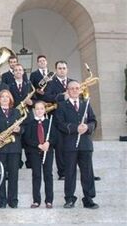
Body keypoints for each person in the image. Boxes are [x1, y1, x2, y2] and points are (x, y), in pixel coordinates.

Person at [55, 81, 99, 209]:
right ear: (68, 91)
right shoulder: (62, 106)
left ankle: (89, 198)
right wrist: (75, 128)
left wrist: (87, 127)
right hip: (69, 144)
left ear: (80, 90)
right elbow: (60, 124)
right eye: (72, 88)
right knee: (69, 173)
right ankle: (69, 199)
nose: (74, 90)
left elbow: (93, 121)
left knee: (87, 172)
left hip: (85, 144)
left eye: (77, 88)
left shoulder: (86, 104)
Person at [0, 90, 22, 208]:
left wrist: (19, 130)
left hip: (14, 148)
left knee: (14, 176)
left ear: (11, 99)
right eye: (2, 97)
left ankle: (13, 201)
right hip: (0, 148)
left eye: (7, 97)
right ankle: (2, 201)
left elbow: (23, 128)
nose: (4, 98)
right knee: (1, 176)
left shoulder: (17, 112)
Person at [23, 101, 57, 209]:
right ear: (34, 110)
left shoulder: (49, 123)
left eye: (41, 108)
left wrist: (48, 143)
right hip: (35, 152)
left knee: (48, 175)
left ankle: (49, 201)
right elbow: (27, 139)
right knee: (36, 175)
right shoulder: (30, 123)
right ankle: (36, 200)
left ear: (44, 110)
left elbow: (55, 137)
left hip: (48, 151)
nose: (39, 111)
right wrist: (38, 145)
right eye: (37, 109)